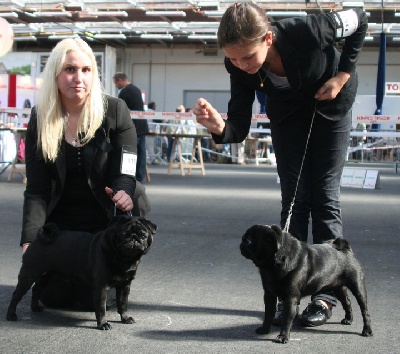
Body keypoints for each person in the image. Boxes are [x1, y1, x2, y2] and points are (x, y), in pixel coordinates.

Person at [193, 2, 367, 327]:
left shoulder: (308, 30)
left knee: (324, 198)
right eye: (232, 58)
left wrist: (342, 75)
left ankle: (326, 298)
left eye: (248, 57)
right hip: (287, 116)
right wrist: (218, 127)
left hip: (330, 107)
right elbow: (239, 124)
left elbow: (360, 18)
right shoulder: (237, 67)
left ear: (268, 40)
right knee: (294, 199)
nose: (241, 65)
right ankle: (291, 292)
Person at [21, 37, 150, 309]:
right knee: (56, 300)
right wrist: (31, 239)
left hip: (103, 220)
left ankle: (120, 269)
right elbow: (36, 188)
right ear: (55, 74)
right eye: (69, 69)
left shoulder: (115, 110)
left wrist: (124, 191)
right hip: (62, 223)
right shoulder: (39, 117)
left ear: (94, 74)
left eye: (86, 70)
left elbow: (126, 166)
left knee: (93, 302)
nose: (77, 78)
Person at [113, 72, 149, 183]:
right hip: (142, 126)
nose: (116, 86)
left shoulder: (124, 92)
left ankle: (129, 178)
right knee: (141, 153)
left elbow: (120, 110)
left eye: (115, 83)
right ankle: (140, 177)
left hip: (132, 128)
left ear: (120, 80)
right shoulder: (137, 89)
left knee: (129, 153)